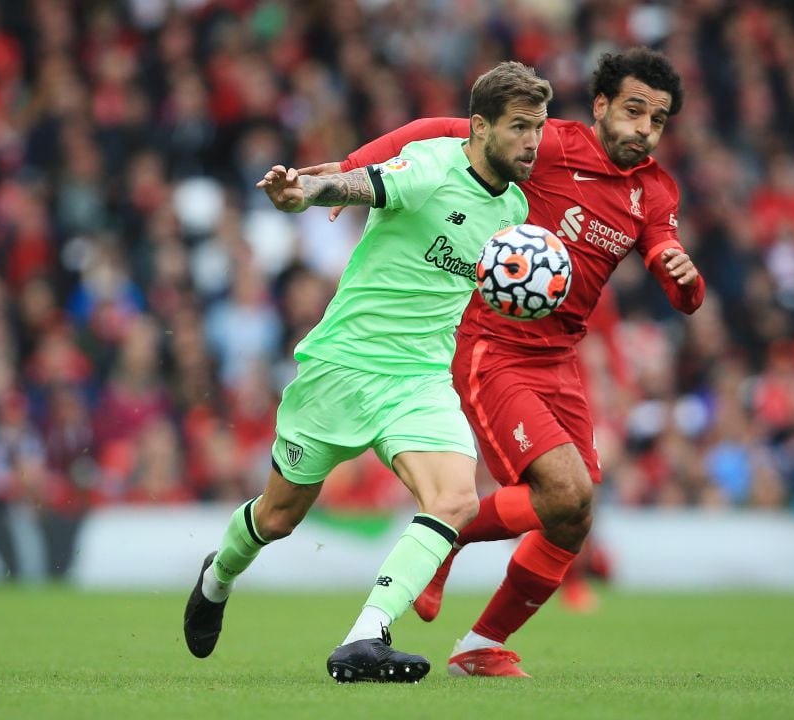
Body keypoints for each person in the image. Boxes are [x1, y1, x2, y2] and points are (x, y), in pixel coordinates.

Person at [301, 47, 704, 677]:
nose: (645, 130)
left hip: (560, 357)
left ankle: (477, 645)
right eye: (633, 112)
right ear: (601, 107)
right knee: (561, 489)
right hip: (493, 345)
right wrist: (355, 166)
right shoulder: (544, 143)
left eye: (658, 120)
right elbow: (440, 130)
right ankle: (448, 532)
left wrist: (684, 278)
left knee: (572, 515)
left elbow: (674, 275)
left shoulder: (655, 190)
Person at [182, 61, 553, 684]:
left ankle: (365, 636)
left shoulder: (513, 209)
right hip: (342, 367)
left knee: (456, 499)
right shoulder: (434, 166)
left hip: (419, 380)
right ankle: (216, 576)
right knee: (278, 517)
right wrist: (304, 193)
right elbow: (365, 186)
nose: (533, 141)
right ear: (480, 126)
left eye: (538, 127)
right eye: (520, 127)